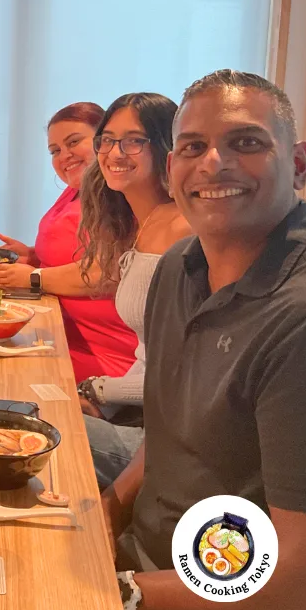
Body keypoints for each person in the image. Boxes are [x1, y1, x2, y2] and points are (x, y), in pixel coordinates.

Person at [106, 71, 306, 610]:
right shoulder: (180, 266)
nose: (213, 163)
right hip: (140, 564)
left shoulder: (305, 319)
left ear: (297, 164)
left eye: (246, 143)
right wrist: (108, 508)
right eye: (193, 147)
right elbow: (170, 434)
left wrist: (115, 598)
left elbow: (303, 582)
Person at [74, 93, 192, 491]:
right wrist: (105, 398)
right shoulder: (144, 224)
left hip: (163, 444)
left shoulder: (182, 231)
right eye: (107, 139)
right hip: (137, 413)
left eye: (133, 140)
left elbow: (184, 374)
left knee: (32, 428)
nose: (115, 152)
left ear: (166, 150)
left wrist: (98, 388)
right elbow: (149, 355)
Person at [0, 102, 139, 382]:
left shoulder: (116, 198)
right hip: (59, 330)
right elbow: (73, 252)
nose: (64, 156)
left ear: (103, 141)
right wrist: (31, 255)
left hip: (100, 353)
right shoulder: (74, 191)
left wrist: (32, 276)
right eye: (55, 151)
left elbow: (101, 271)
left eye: (74, 142)